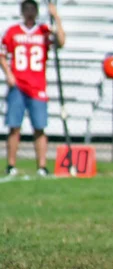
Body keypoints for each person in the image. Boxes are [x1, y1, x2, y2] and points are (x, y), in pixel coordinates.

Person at [0, 0, 65, 176]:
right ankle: (11, 165)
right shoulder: (13, 32)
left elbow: (61, 42)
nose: (30, 13)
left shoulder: (44, 31)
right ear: (22, 11)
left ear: (36, 11)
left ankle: (42, 166)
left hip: (37, 86)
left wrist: (56, 18)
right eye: (27, 9)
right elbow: (2, 54)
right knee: (14, 127)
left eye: (32, 9)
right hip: (18, 86)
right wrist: (9, 74)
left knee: (39, 127)